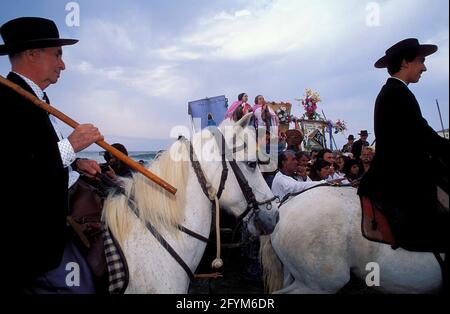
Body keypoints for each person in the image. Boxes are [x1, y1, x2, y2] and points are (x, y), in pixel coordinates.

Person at [1, 17, 104, 293]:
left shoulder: (34, 100)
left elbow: (38, 154)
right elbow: (17, 170)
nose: (63, 64)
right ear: (33, 54)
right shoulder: (7, 100)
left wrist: (75, 162)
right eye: (57, 54)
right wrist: (72, 145)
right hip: (32, 241)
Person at [358, 38, 449, 256]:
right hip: (401, 176)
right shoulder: (398, 93)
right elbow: (424, 136)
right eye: (421, 61)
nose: (424, 67)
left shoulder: (394, 91)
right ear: (405, 62)